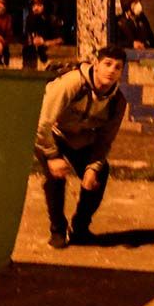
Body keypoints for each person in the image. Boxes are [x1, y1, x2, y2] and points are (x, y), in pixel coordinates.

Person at [34, 45, 128, 249]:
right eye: (107, 64)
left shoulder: (117, 101)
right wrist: (52, 156)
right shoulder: (73, 83)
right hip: (50, 133)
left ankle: (80, 228)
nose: (112, 70)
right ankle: (57, 230)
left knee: (100, 173)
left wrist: (92, 168)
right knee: (56, 176)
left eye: (118, 67)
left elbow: (105, 140)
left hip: (79, 137)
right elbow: (42, 123)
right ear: (96, 64)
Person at [22, 0, 63, 69]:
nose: (36, 8)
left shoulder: (52, 20)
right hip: (35, 52)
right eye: (33, 5)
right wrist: (32, 40)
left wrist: (45, 42)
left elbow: (61, 39)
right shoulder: (30, 19)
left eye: (39, 5)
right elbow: (28, 35)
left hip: (52, 53)